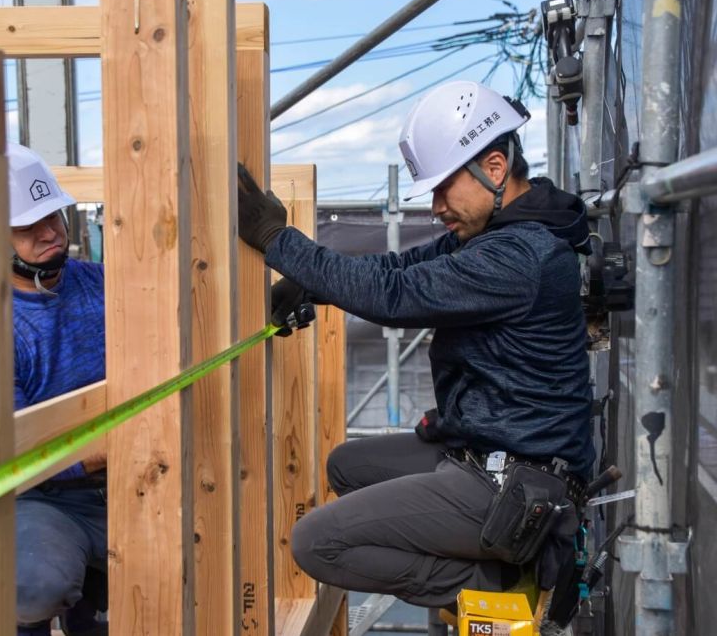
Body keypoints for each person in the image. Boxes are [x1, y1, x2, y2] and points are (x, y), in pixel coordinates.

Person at [238, 80, 594, 609]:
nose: (435, 207)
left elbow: (394, 296)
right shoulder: (496, 236)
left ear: (494, 168)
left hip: (519, 484)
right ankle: (495, 556)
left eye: (443, 188)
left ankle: (494, 588)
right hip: (492, 452)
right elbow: (399, 267)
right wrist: (310, 282)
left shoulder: (521, 258)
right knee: (346, 467)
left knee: (318, 543)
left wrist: (276, 241)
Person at [7, 143, 108, 636]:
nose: (50, 231)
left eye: (53, 214)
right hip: (41, 499)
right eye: (28, 226)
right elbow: (16, 456)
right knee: (32, 587)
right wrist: (101, 453)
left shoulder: (107, 286)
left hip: (133, 485)